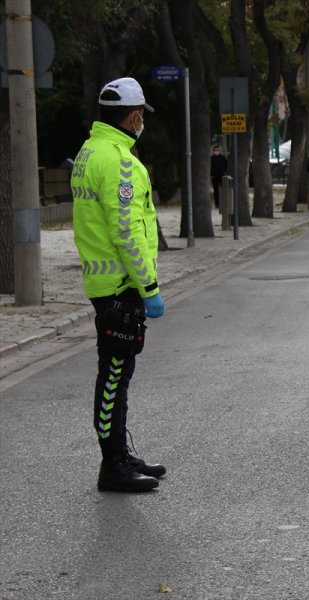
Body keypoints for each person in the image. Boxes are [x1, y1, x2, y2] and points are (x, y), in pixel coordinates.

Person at [70, 77, 167, 493]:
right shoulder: (119, 161)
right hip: (121, 283)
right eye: (141, 114)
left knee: (117, 371)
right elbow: (127, 231)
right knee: (114, 374)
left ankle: (119, 455)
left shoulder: (90, 151)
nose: (142, 121)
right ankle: (112, 466)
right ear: (133, 116)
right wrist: (149, 287)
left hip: (103, 279)